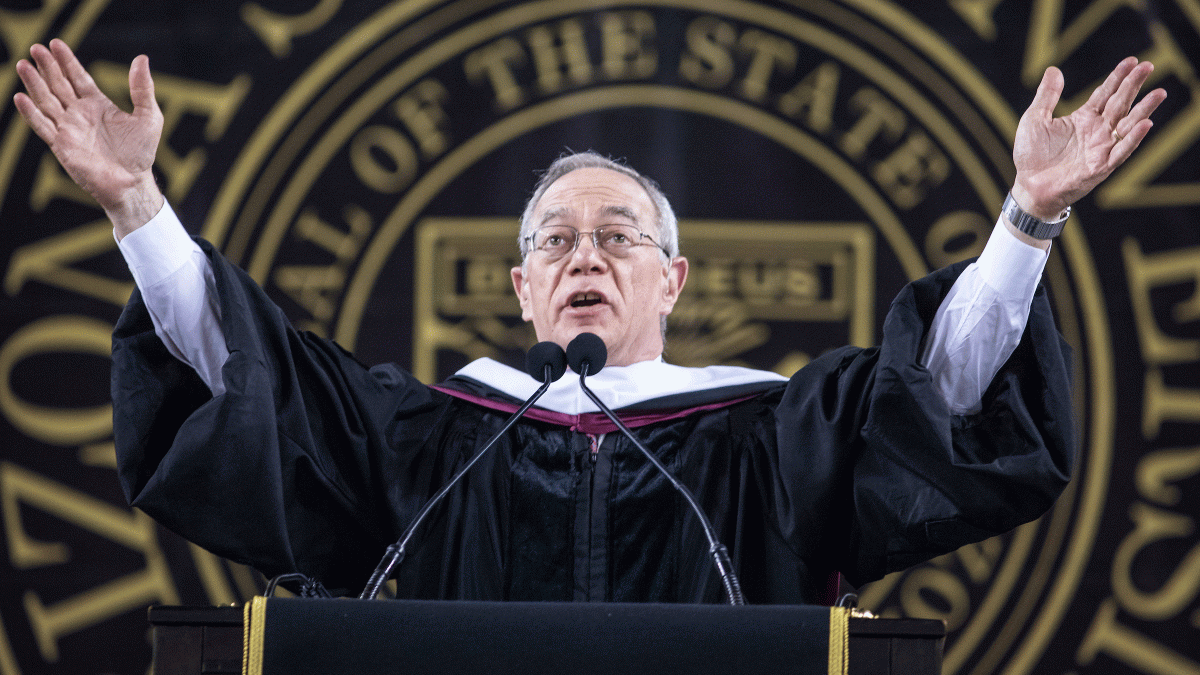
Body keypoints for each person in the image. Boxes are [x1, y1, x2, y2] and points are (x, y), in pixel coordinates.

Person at [15, 40, 1165, 602]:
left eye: (619, 236)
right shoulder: (437, 441)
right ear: (520, 291)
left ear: (671, 282)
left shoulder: (763, 440)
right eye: (554, 241)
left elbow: (944, 392)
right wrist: (135, 206)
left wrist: (1026, 219)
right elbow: (245, 377)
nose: (585, 256)